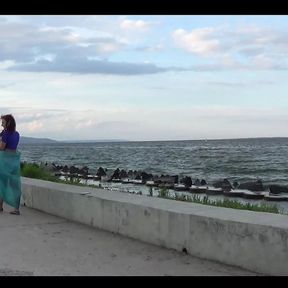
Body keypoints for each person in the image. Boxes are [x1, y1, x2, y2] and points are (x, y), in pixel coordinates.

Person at [0, 114, 21, 215]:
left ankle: (0, 206)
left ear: (8, 123)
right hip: (14, 160)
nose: (1, 124)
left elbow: (2, 148)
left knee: (2, 183)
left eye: (3, 122)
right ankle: (16, 209)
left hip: (5, 160)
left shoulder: (5, 134)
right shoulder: (16, 134)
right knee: (14, 185)